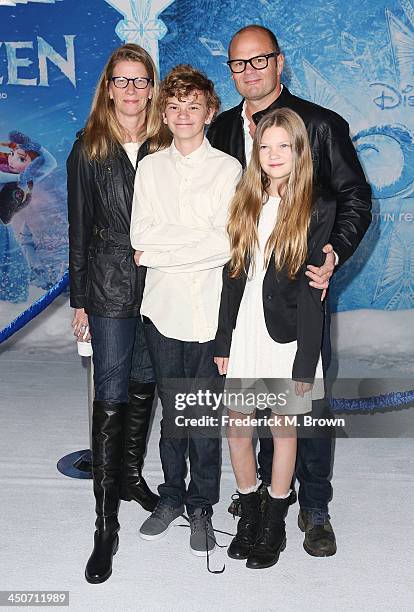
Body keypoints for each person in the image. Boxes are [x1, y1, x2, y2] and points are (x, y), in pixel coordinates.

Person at [207, 24, 372, 556]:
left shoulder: (320, 124)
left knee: (303, 405)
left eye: (260, 60)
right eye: (239, 64)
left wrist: (333, 255)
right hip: (244, 302)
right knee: (245, 414)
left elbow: (354, 198)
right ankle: (257, 500)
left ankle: (314, 505)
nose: (249, 71)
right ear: (230, 71)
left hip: (298, 299)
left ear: (280, 62)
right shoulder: (223, 130)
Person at [214, 107, 336, 569]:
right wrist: (224, 340)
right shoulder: (245, 199)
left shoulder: (317, 205)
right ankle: (250, 511)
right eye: (265, 146)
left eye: (284, 145)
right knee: (238, 428)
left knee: (284, 430)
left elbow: (311, 295)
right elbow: (232, 277)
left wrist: (306, 362)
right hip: (245, 330)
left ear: (299, 150)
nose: (273, 154)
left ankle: (276, 519)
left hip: (288, 337)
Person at [130, 65, 242, 563]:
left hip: (210, 312)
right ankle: (172, 495)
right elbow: (140, 239)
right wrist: (177, 246)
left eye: (193, 107)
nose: (182, 115)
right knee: (172, 413)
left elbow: (225, 245)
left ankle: (202, 505)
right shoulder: (150, 168)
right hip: (162, 309)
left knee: (201, 414)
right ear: (164, 112)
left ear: (209, 112)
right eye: (174, 107)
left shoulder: (229, 169)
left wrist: (165, 248)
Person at [67, 43, 160, 584]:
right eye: (120, 80)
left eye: (139, 80)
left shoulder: (168, 142)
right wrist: (79, 299)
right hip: (106, 284)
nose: (129, 90)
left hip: (163, 285)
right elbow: (79, 230)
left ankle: (130, 475)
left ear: (151, 87)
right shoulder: (88, 147)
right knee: (112, 393)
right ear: (108, 88)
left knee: (147, 381)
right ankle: (106, 524)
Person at [0, 131, 56, 302]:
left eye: (22, 159)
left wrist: (37, 147)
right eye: (12, 155)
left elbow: (51, 163)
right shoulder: (6, 171)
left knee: (17, 267)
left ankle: (11, 303)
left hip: (4, 226)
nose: (12, 160)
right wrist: (19, 176)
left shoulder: (29, 178)